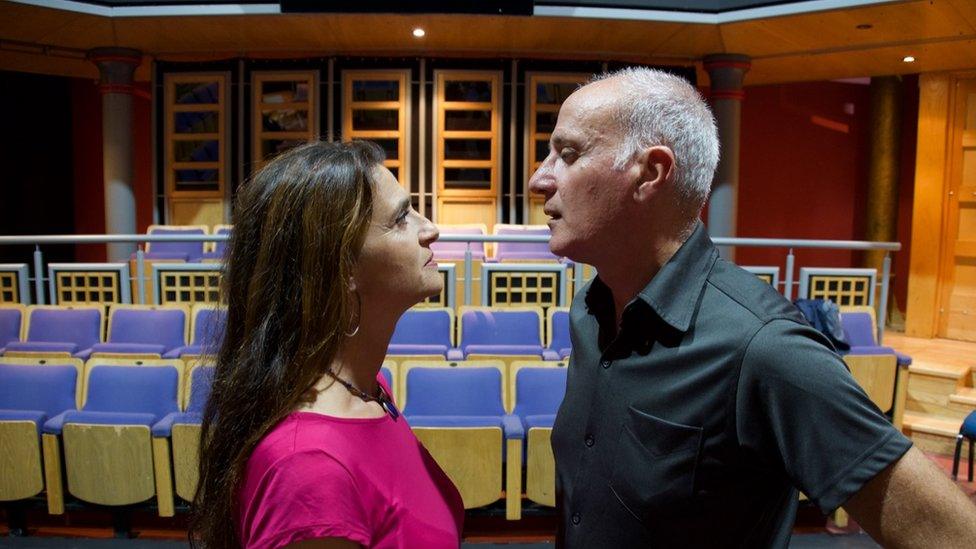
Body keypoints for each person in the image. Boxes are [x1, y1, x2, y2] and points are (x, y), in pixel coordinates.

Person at [528, 67, 976, 547]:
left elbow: (951, 536)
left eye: (568, 155)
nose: (539, 179)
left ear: (651, 172)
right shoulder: (588, 311)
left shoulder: (764, 347)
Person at [189, 141, 464, 549]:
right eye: (402, 217)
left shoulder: (369, 390)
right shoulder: (309, 468)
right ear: (343, 266)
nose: (430, 229)